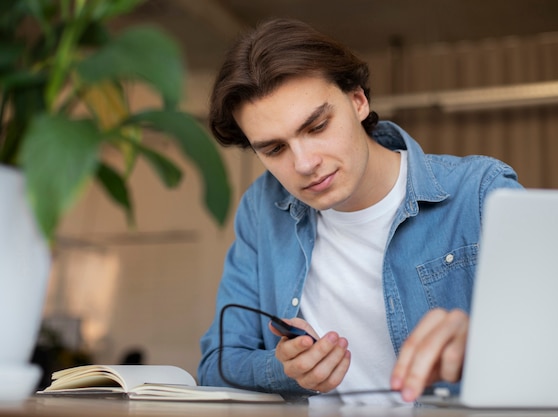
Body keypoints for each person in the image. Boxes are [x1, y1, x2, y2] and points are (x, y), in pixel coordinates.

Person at [198, 18, 523, 405]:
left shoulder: (479, 192)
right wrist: (282, 369)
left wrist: (486, 340)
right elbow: (216, 363)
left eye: (316, 127)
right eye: (274, 150)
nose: (303, 164)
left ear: (358, 101)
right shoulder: (261, 209)